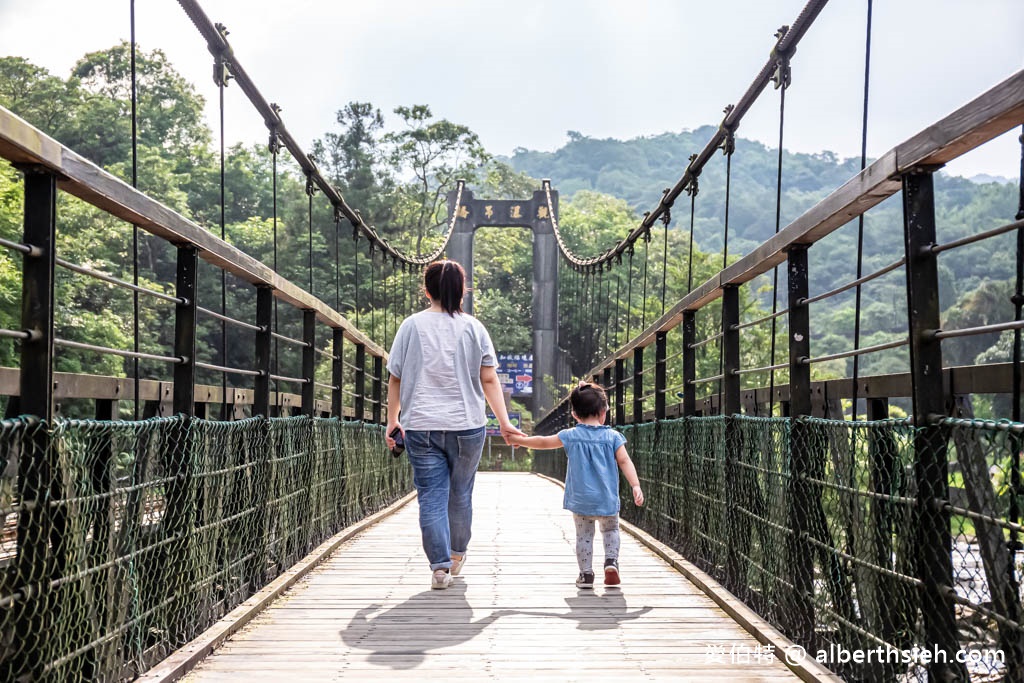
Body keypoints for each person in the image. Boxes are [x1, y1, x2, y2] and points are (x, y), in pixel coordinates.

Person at [385, 259, 523, 590]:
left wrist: (393, 421)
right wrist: (504, 422)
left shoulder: (411, 326)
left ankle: (439, 568)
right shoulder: (474, 328)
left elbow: (395, 378)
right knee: (460, 493)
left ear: (426, 290)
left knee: (431, 495)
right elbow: (489, 379)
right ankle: (457, 554)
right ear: (463, 291)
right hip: (467, 426)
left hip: (420, 424)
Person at [508, 382, 644, 589]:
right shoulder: (613, 437)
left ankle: (586, 574)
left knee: (584, 536)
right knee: (610, 530)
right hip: (607, 498)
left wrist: (521, 441)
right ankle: (611, 562)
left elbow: (544, 442)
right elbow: (625, 461)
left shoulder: (570, 435)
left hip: (581, 500)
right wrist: (635, 485)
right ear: (603, 411)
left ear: (574, 414)